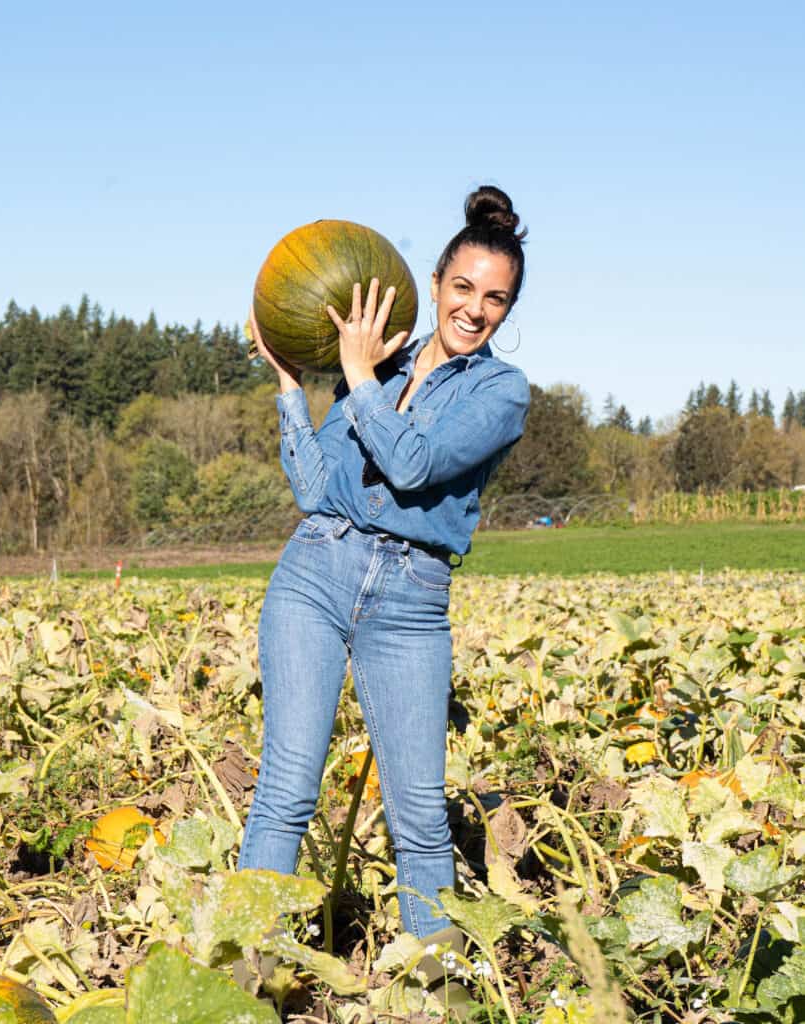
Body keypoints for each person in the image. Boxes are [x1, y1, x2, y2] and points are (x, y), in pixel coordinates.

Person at [239, 185, 530, 939]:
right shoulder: (380, 367)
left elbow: (411, 464)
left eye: (494, 298)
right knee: (285, 793)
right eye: (461, 287)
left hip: (409, 602)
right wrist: (290, 386)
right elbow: (313, 487)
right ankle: (243, 976)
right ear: (431, 287)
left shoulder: (500, 391)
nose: (474, 308)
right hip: (314, 574)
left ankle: (434, 988)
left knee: (420, 818)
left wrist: (359, 375)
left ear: (507, 310)